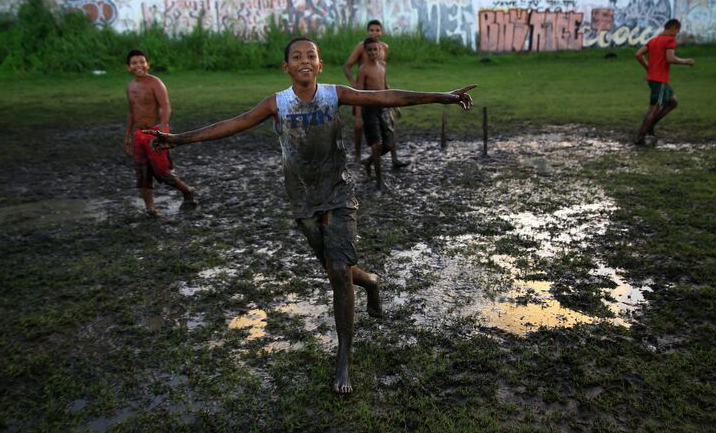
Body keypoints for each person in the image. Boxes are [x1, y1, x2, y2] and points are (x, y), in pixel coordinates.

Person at [145, 38, 475, 394]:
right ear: (286, 67)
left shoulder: (335, 94)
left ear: (320, 65)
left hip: (338, 194)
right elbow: (232, 124)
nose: (305, 60)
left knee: (336, 272)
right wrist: (178, 139)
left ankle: (344, 358)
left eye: (311, 56)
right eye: (296, 57)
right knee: (338, 271)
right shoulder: (277, 104)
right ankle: (372, 284)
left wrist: (443, 96)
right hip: (302, 199)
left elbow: (386, 96)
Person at [123, 49, 195, 216]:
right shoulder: (130, 86)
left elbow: (166, 106)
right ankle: (150, 208)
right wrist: (127, 135)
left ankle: (187, 190)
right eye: (134, 63)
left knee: (162, 172)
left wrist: (163, 131)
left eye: (142, 61)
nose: (139, 65)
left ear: (148, 64)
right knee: (142, 173)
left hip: (155, 132)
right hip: (139, 134)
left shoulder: (155, 83)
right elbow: (131, 112)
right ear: (128, 67)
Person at [343, 20, 408, 167]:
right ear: (367, 32)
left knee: (389, 123)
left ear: (382, 32)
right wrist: (354, 84)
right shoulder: (362, 46)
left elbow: (382, 76)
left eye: (377, 30)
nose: (374, 33)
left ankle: (394, 159)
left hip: (381, 94)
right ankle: (358, 156)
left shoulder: (384, 47)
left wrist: (394, 103)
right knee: (359, 125)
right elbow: (347, 66)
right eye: (371, 30)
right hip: (363, 93)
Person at [634, 19, 695, 146]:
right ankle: (640, 137)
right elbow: (670, 58)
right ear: (672, 28)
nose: (676, 34)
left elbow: (638, 54)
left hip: (653, 79)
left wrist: (648, 67)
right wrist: (686, 61)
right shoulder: (669, 41)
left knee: (673, 101)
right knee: (654, 109)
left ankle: (650, 125)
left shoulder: (654, 40)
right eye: (677, 31)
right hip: (660, 80)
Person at [354, 37, 394, 192]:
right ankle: (379, 182)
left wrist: (393, 106)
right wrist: (358, 117)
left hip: (383, 108)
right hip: (369, 110)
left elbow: (385, 86)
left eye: (375, 49)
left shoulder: (383, 66)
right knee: (376, 146)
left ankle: (368, 161)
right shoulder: (363, 70)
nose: (372, 52)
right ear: (365, 51)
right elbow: (357, 94)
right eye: (369, 50)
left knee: (389, 144)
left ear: (380, 50)